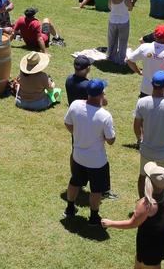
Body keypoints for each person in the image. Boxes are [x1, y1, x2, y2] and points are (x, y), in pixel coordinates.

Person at [102, 162, 164, 269]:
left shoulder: (146, 204)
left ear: (149, 182)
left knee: (148, 265)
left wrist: (110, 223)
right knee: (142, 263)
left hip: (148, 244)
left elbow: (132, 224)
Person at [63, 78, 115, 226]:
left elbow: (67, 122)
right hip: (97, 161)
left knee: (75, 181)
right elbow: (111, 140)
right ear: (101, 94)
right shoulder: (105, 116)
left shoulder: (75, 105)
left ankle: (70, 209)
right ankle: (93, 217)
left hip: (78, 156)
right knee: (96, 190)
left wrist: (77, 134)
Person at [132, 72, 164, 197]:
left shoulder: (141, 102)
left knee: (143, 176)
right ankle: (162, 205)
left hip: (147, 149)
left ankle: (142, 202)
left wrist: (140, 140)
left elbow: (136, 126)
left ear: (152, 85)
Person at [127, 26, 164, 97]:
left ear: (154, 36)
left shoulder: (144, 47)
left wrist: (139, 72)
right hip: (163, 91)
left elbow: (129, 60)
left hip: (146, 89)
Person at [88, 0, 136, 65]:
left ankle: (110, 56)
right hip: (123, 22)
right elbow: (130, 8)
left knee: (112, 40)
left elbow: (110, 7)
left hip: (113, 21)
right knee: (123, 41)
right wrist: (133, 2)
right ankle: (121, 59)